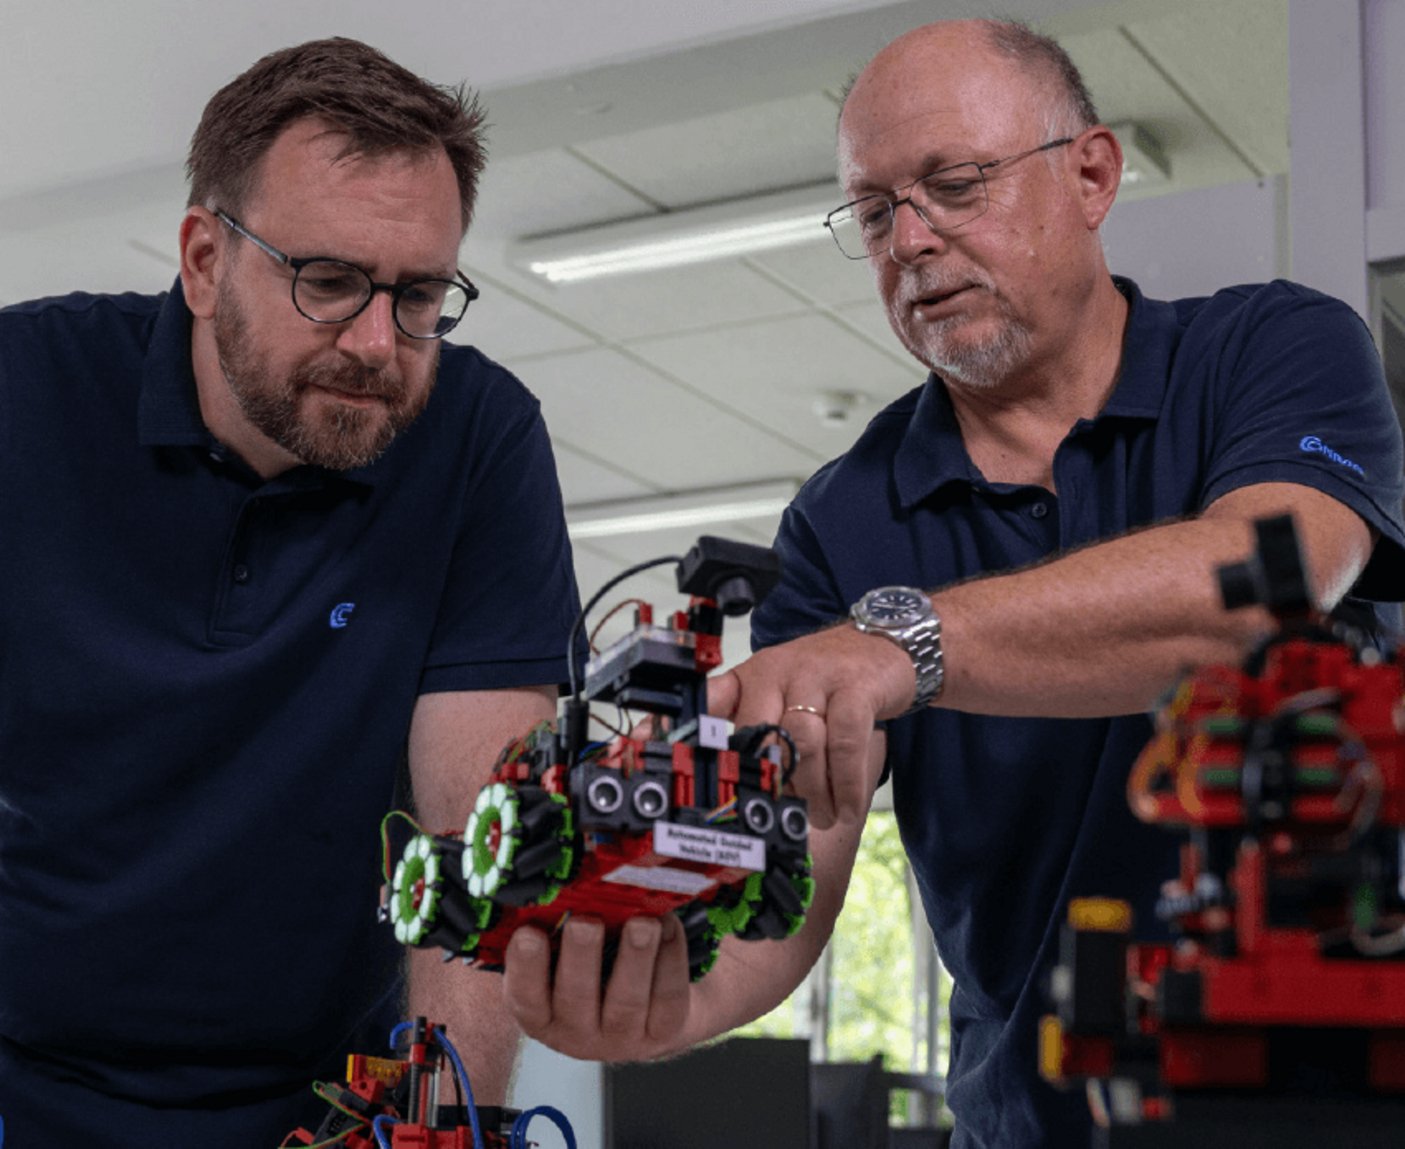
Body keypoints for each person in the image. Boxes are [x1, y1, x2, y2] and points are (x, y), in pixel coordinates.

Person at [500, 17, 1405, 1149]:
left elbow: (1265, 583)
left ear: (1091, 174)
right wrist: (664, 1000)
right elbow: (789, 891)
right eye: (874, 212)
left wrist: (904, 646)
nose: (911, 240)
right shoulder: (841, 522)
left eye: (954, 184)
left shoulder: (1266, 349)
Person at [0, 38, 580, 1146]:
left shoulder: (478, 439)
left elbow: (475, 843)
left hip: (327, 1097)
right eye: (327, 281)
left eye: (417, 296)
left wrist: (446, 1130)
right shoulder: (23, 396)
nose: (376, 341)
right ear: (205, 259)